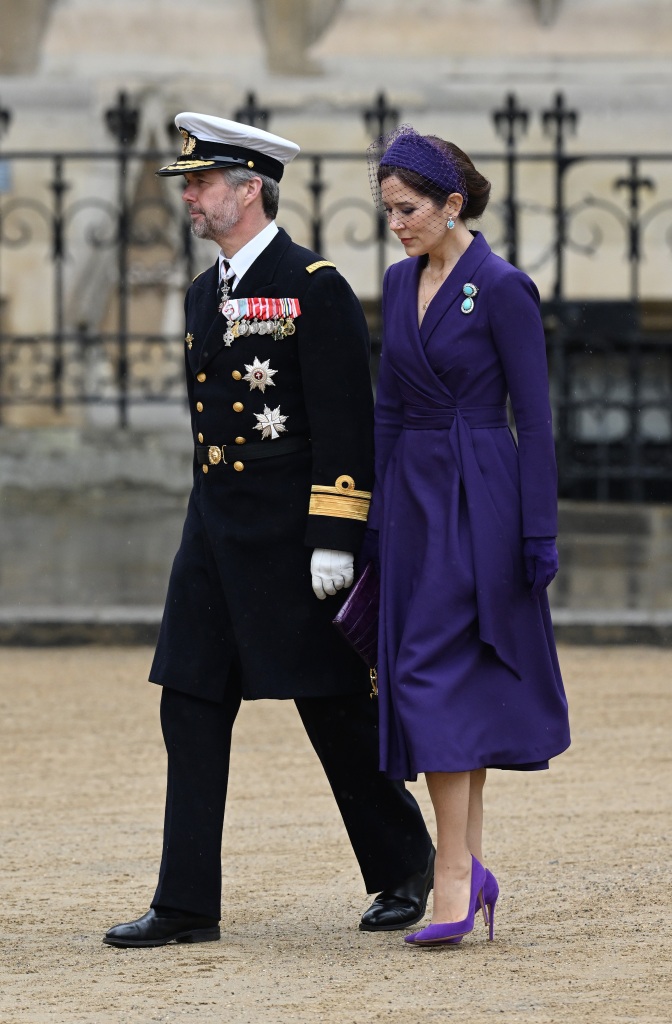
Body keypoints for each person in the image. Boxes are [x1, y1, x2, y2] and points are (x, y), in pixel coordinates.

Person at [103, 114, 434, 948]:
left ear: (249, 188)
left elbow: (343, 424)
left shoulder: (311, 283)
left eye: (203, 183)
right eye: (187, 183)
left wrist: (336, 532)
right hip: (212, 534)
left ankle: (403, 866)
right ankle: (185, 904)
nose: (189, 196)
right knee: (189, 702)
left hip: (294, 542)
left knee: (330, 705)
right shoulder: (198, 291)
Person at [365, 126, 571, 947]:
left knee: (432, 677)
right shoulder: (393, 279)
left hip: (480, 494)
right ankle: (470, 864)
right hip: (411, 501)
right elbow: (384, 405)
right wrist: (374, 519)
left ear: (453, 204)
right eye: (385, 210)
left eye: (408, 209)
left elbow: (538, 419)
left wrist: (538, 531)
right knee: (446, 678)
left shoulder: (504, 285)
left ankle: (452, 875)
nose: (396, 224)